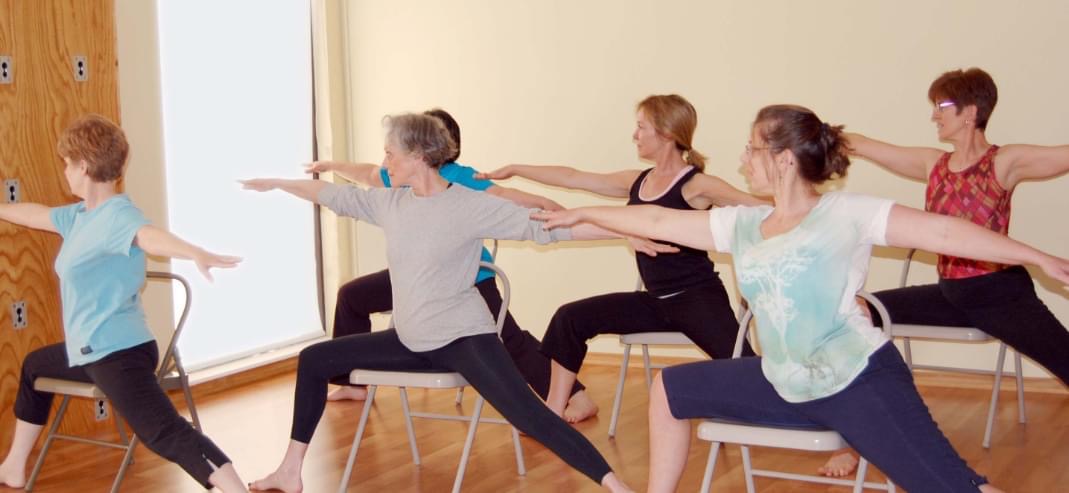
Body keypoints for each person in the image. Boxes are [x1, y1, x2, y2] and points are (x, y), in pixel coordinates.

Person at [531, 104, 1064, 491]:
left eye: (753, 148)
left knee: (954, 488)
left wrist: (1034, 257)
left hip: (860, 380)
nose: (744, 158)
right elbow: (653, 218)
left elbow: (945, 234)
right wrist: (584, 213)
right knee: (669, 389)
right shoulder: (743, 224)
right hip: (782, 380)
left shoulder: (845, 213)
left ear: (784, 159)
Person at [242, 113, 633, 493]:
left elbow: (548, 229)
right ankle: (290, 471)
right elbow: (334, 196)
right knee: (314, 359)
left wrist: (629, 229)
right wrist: (278, 183)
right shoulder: (391, 203)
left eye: (390, 153)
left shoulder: (466, 204)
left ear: (417, 155)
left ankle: (615, 485)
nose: (384, 163)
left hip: (464, 339)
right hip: (410, 340)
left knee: (531, 416)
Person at [820, 67, 1069, 477]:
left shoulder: (1004, 162)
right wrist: (806, 134)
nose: (935, 115)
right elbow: (862, 145)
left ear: (971, 112)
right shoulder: (932, 163)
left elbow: (1060, 154)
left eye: (943, 106)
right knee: (858, 312)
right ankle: (851, 438)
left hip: (1001, 295)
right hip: (949, 296)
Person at [480, 94, 765, 421]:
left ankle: (809, 418)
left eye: (641, 127)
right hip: (655, 302)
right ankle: (552, 414)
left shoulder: (697, 185)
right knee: (570, 318)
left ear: (667, 133)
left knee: (747, 367)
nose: (635, 135)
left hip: (697, 300)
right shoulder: (637, 181)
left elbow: (754, 206)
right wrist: (517, 169)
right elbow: (574, 177)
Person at [0, 114, 246, 491]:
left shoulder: (118, 216)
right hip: (90, 350)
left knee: (163, 432)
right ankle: (13, 467)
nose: (64, 171)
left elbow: (147, 237)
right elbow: (35, 214)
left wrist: (193, 250)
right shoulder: (81, 216)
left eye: (67, 163)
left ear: (83, 165)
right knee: (35, 367)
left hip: (118, 352)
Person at [306, 109, 602, 420]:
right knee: (353, 295)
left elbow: (503, 194)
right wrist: (331, 166)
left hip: (470, 277)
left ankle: (575, 396)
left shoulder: (460, 177)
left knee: (508, 338)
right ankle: (350, 382)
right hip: (419, 277)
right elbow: (367, 174)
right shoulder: (403, 174)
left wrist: (547, 207)